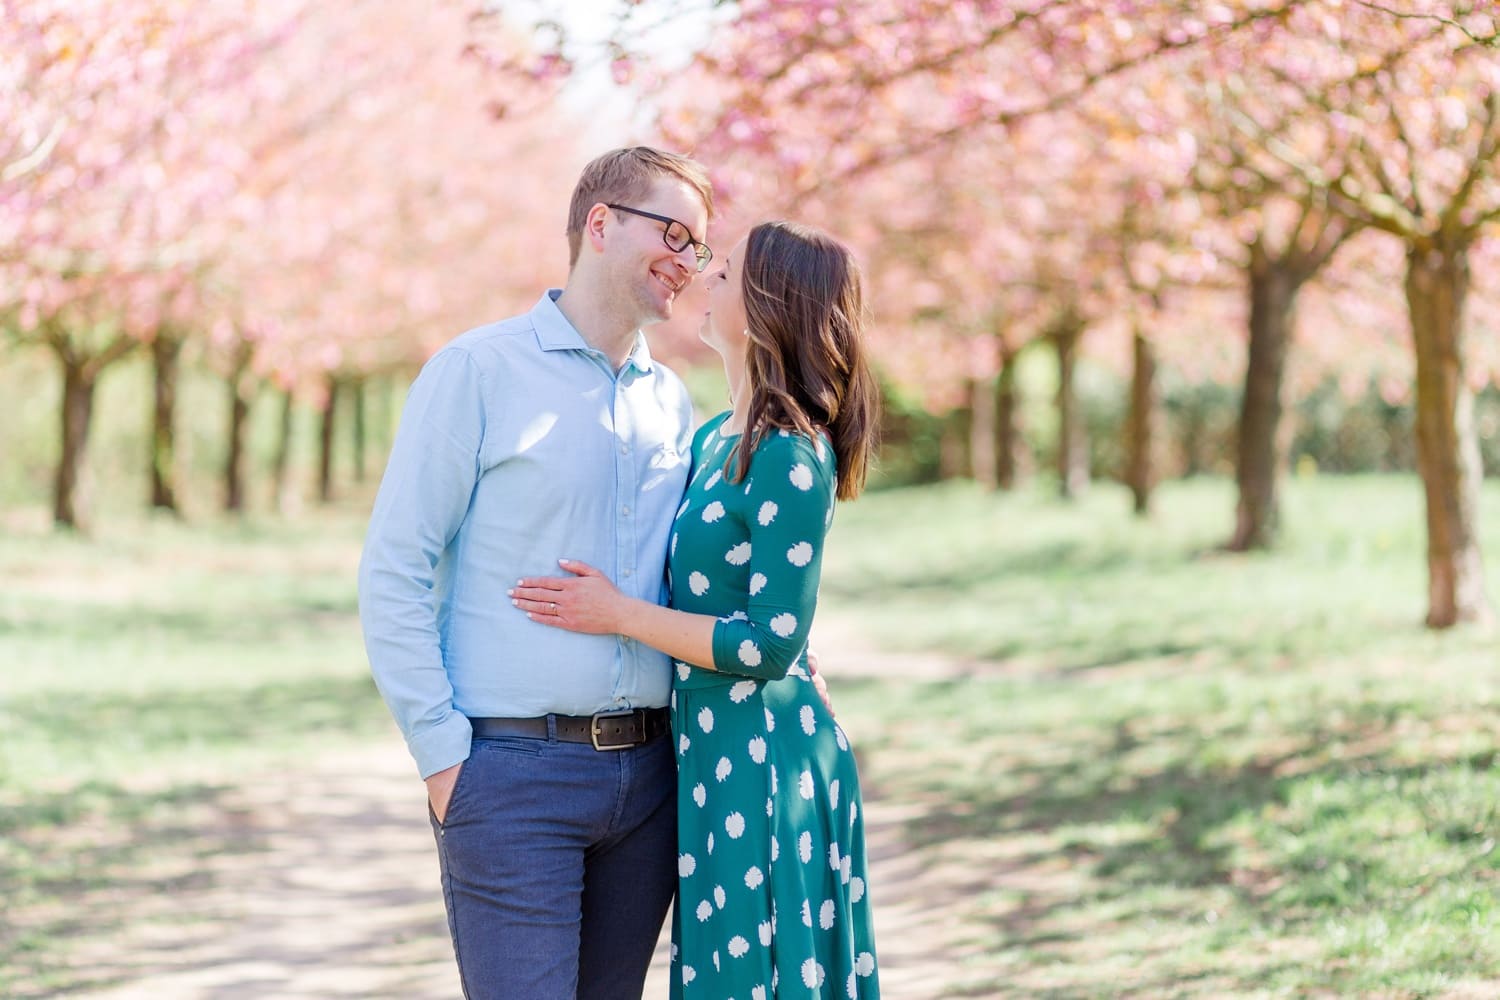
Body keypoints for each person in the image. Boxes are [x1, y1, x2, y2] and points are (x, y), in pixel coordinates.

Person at [357, 146, 716, 1000]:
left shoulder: (670, 400)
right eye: (673, 232)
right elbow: (394, 567)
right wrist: (445, 758)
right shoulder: (478, 371)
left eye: (698, 246)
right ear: (600, 225)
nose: (687, 260)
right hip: (511, 778)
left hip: (650, 784)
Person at [511, 220, 882, 998]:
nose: (702, 277)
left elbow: (772, 644)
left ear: (771, 304)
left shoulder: (790, 451)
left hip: (768, 758)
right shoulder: (718, 436)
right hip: (708, 753)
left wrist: (617, 614)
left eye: (726, 272)